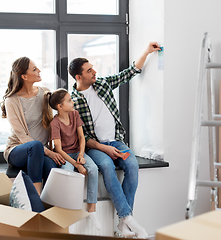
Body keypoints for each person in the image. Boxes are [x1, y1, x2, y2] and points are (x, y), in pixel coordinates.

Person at [68, 42, 161, 238]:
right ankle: (127, 217)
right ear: (78, 77)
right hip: (94, 147)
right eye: (89, 70)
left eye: (93, 68)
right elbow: (81, 137)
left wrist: (146, 51)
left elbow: (130, 72)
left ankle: (123, 221)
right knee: (108, 167)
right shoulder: (72, 101)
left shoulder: (102, 84)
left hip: (115, 140)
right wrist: (104, 149)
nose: (94, 71)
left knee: (132, 166)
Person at [1, 57, 65, 195]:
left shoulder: (45, 93)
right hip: (18, 150)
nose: (39, 71)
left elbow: (57, 118)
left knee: (52, 168)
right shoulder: (11, 101)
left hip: (41, 152)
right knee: (35, 146)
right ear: (24, 76)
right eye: (34, 69)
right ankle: (35, 202)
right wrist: (48, 152)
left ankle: (51, 209)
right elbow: (22, 137)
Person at [42, 88, 101, 230]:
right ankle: (66, 210)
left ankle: (92, 209)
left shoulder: (75, 115)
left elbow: (82, 138)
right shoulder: (54, 123)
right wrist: (76, 164)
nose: (72, 102)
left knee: (93, 169)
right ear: (59, 106)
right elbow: (59, 149)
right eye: (69, 100)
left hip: (77, 152)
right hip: (65, 156)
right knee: (68, 173)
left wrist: (81, 155)